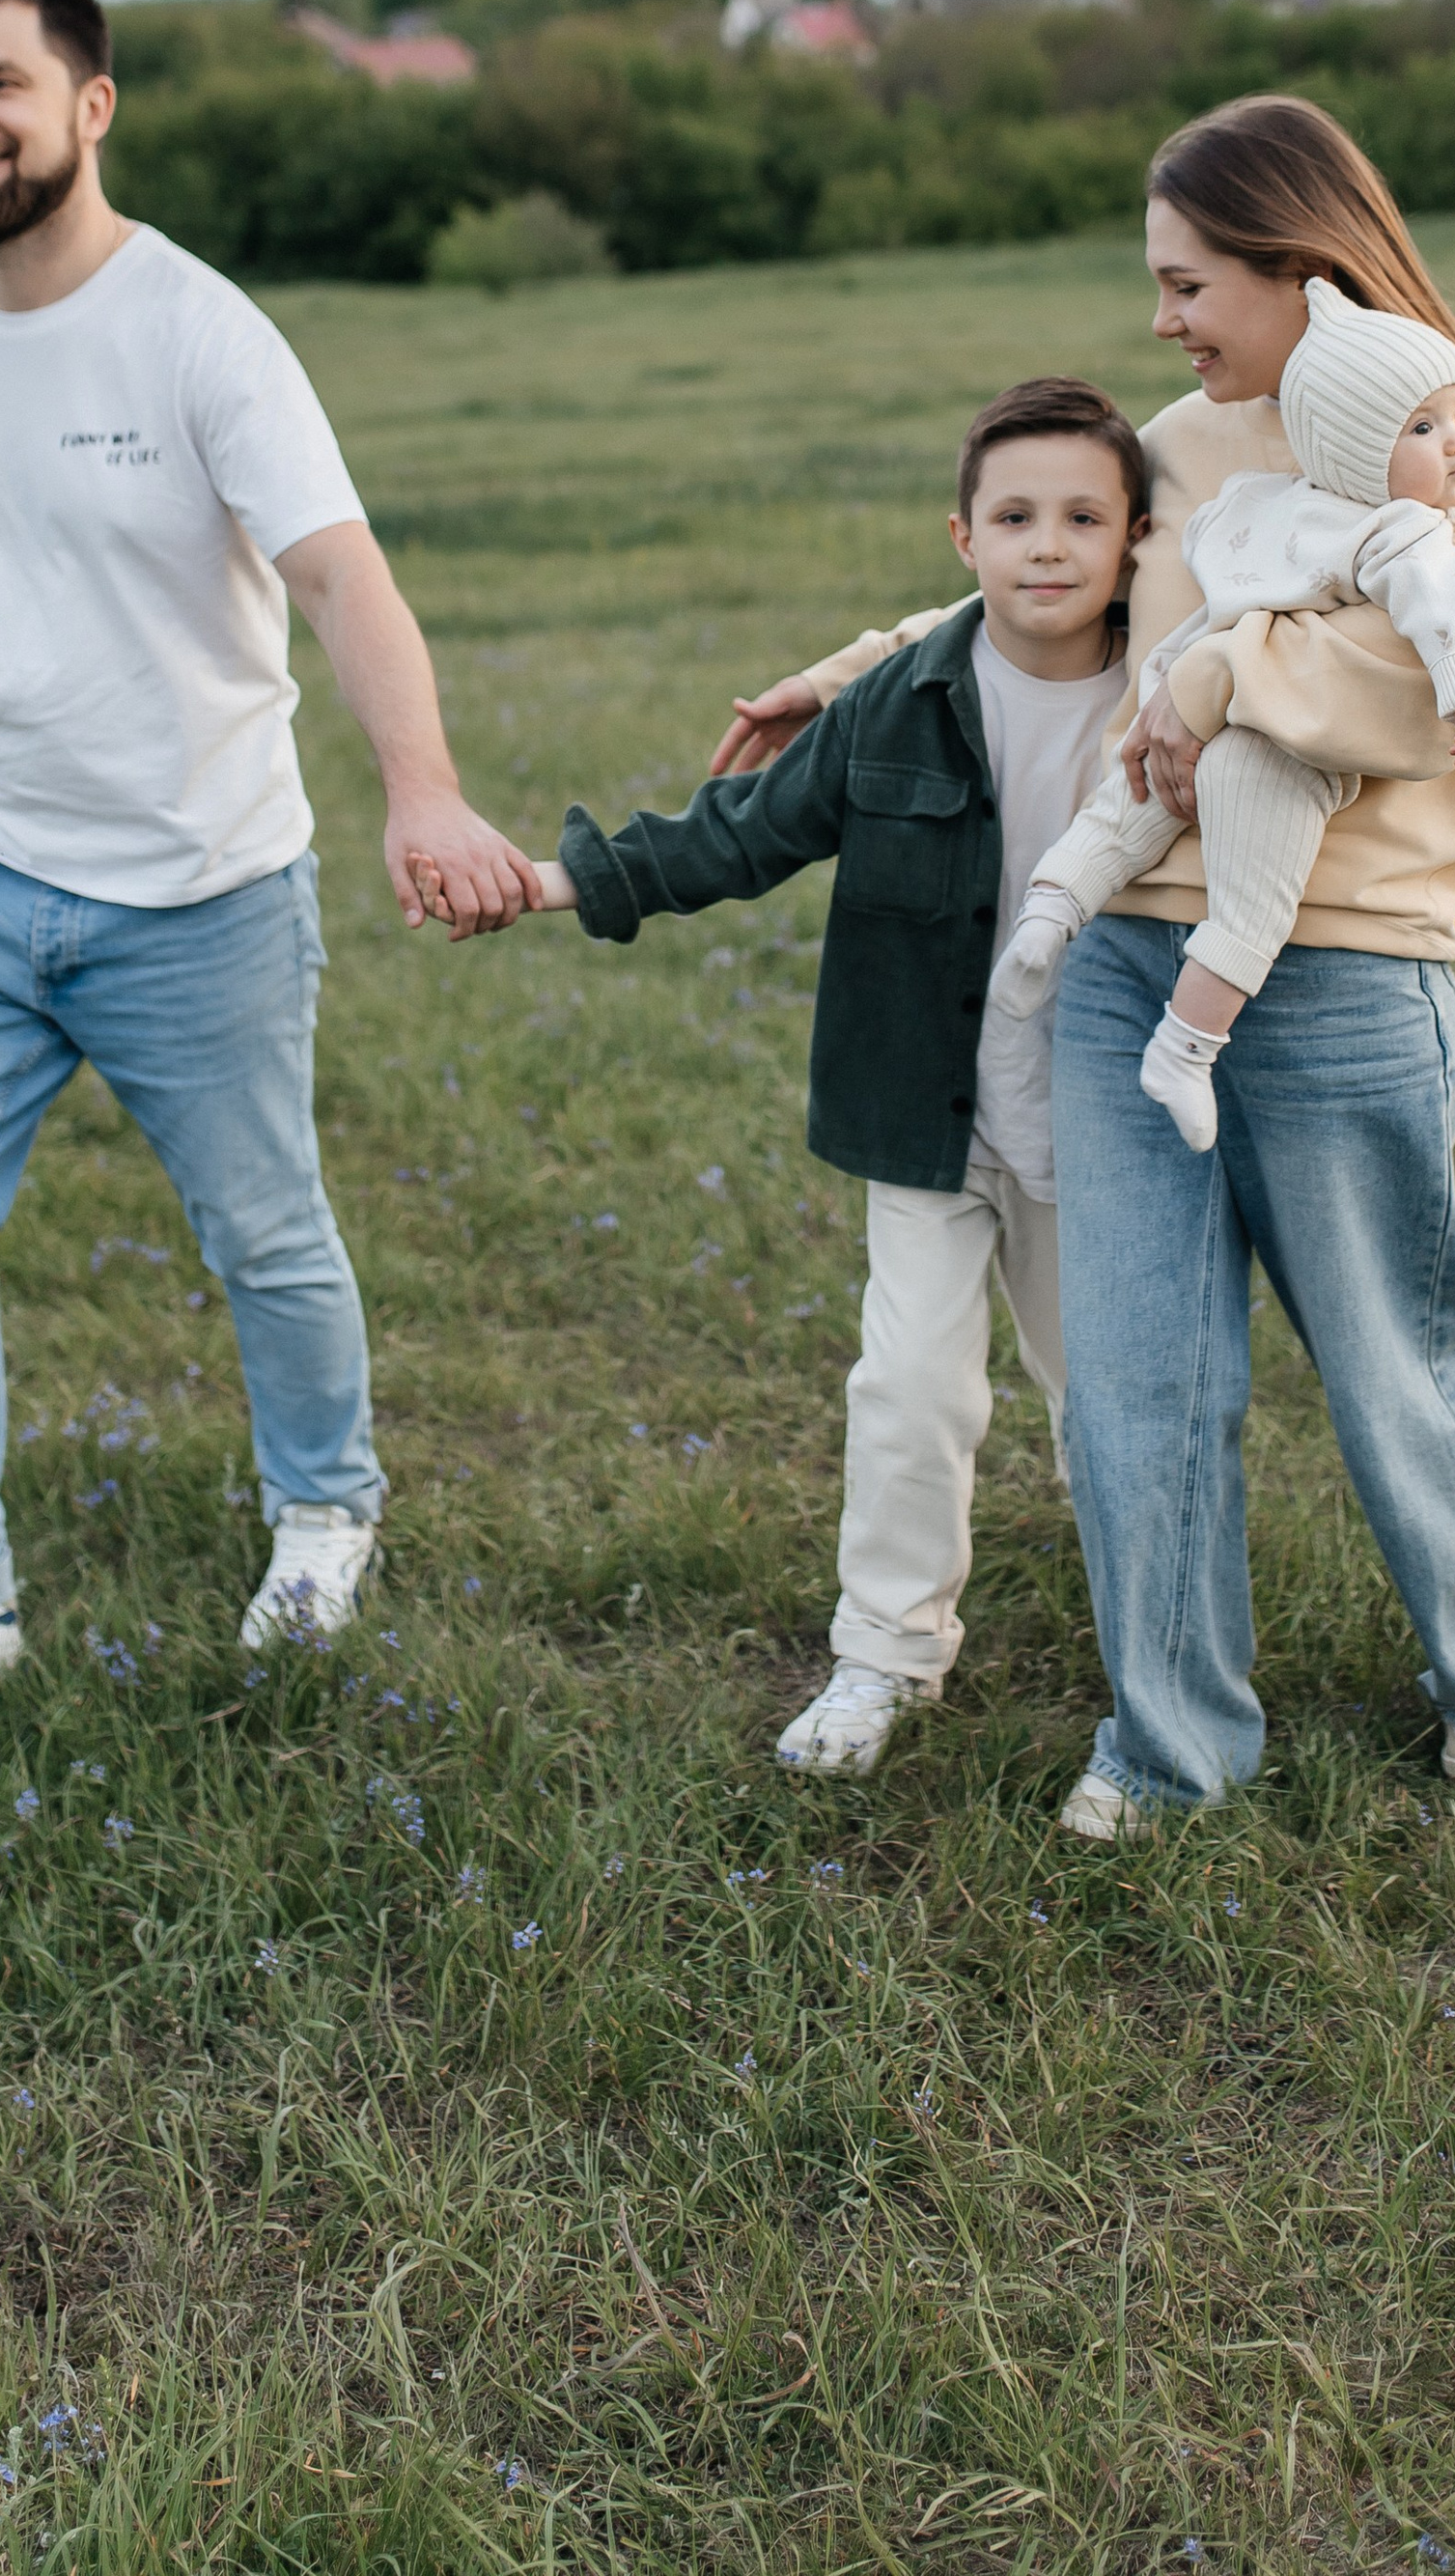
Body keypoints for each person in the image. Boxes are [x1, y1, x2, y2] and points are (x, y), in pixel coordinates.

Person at [714, 96, 1455, 1835]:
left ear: (1299, 262)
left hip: (1342, 969)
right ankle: (1172, 1743)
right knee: (1133, 1377)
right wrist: (858, 666)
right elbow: (1050, 598)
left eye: (1190, 281)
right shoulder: (1178, 446)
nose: (1167, 319)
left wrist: (1211, 683)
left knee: (1393, 1349)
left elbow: (1451, 688)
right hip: (1125, 959)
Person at [0, 0, 539, 1709]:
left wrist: (420, 786)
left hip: (201, 895)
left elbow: (340, 572)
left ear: (87, 107)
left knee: (263, 1234)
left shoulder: (198, 330)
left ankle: (325, 1516)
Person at [417, 379, 1144, 1774]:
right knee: (911, 1391)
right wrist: (546, 884)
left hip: (1105, 1118)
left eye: (1081, 518)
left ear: (1134, 539)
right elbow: (736, 834)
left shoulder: (1175, 687)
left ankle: (1161, 1658)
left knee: (1110, 1400)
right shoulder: (901, 702)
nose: (1046, 546)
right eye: (1014, 517)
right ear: (961, 538)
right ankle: (882, 1659)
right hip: (924, 1110)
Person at [990, 279, 1455, 1153]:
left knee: (1126, 811)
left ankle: (1048, 915)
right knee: (1251, 903)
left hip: (1171, 690)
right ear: (1354, 445)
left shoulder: (1256, 498)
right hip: (1273, 746)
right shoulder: (1402, 533)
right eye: (1425, 428)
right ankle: (1186, 1049)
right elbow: (1445, 614)